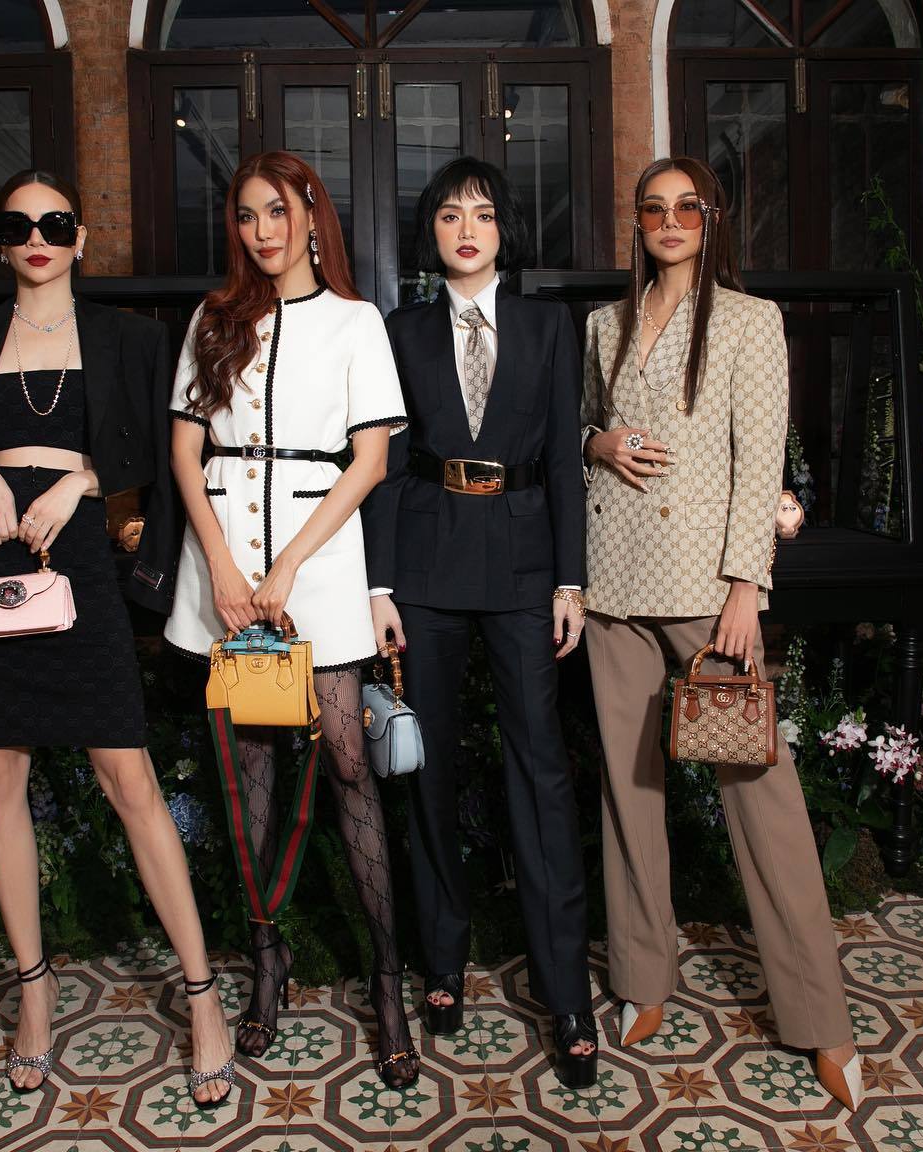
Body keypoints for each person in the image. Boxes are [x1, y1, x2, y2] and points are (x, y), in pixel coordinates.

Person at [0, 169, 234, 1107]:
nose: (37, 237)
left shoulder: (130, 338)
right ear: (1, 241)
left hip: (79, 558)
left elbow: (163, 455)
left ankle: (202, 994)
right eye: (19, 225)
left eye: (55, 223)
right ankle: (35, 995)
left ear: (81, 237)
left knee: (129, 779)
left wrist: (82, 479)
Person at [580, 156, 861, 1110]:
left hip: (708, 590)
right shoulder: (604, 325)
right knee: (629, 794)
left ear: (711, 219)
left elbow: (758, 457)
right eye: (653, 208)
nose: (670, 221)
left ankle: (819, 1015)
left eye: (687, 208)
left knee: (762, 798)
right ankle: (644, 980)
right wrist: (599, 442)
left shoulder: (747, 320)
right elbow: (579, 431)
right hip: (615, 583)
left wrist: (749, 584)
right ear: (637, 222)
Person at [164, 151, 420, 1090]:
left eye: (277, 211)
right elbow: (185, 453)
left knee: (348, 760)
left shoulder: (357, 321)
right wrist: (225, 568)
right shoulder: (214, 317)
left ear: (312, 214)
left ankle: (387, 981)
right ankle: (266, 965)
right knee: (250, 772)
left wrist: (287, 566)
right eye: (246, 215)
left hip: (316, 561)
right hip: (227, 566)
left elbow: (370, 462)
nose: (262, 230)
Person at [363, 157, 598, 1089]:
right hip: (424, 568)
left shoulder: (547, 327)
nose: (468, 229)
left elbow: (566, 460)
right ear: (431, 232)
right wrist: (379, 586)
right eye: (451, 215)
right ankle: (442, 960)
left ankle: (566, 991)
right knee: (428, 769)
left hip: (525, 564)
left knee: (539, 770)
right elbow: (384, 463)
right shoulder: (401, 331)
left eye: (484, 215)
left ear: (505, 231)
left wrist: (571, 581)